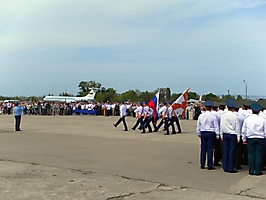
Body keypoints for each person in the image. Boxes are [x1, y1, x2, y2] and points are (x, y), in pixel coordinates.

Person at [242, 103, 266, 176]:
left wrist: (244, 139)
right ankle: (258, 170)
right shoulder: (263, 120)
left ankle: (251, 170)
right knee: (259, 155)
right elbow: (265, 130)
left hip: (250, 138)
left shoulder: (247, 119)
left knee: (251, 154)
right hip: (260, 138)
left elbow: (244, 130)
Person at [196, 100, 219, 170]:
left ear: (205, 107)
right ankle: (209, 165)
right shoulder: (213, 116)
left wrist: (198, 133)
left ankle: (202, 164)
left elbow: (198, 125)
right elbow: (216, 126)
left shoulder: (201, 116)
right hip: (211, 133)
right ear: (211, 108)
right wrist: (217, 135)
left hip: (203, 132)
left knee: (203, 149)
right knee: (210, 149)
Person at [220, 99, 239, 173]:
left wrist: (221, 135)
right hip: (232, 134)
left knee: (225, 151)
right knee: (231, 152)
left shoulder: (223, 115)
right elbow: (237, 127)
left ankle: (225, 167)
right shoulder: (235, 116)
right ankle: (230, 167)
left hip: (225, 134)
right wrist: (238, 137)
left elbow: (221, 125)